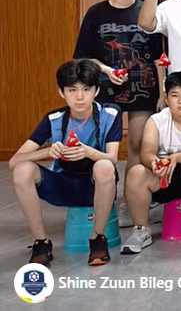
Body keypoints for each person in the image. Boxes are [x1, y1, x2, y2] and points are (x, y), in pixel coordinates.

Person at [73, 0, 160, 230]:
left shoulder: (147, 10)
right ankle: (104, 198)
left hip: (142, 88)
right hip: (106, 89)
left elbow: (159, 56)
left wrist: (162, 90)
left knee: (136, 144)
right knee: (105, 146)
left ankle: (129, 203)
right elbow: (82, 56)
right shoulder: (96, 13)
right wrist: (106, 70)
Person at [10, 59, 122, 266]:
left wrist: (87, 151)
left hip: (96, 185)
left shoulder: (110, 114)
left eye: (86, 89)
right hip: (62, 185)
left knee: (105, 166)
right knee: (22, 170)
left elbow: (113, 158)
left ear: (96, 91)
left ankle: (98, 238)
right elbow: (14, 161)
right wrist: (47, 152)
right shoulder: (53, 119)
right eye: (72, 90)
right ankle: (41, 242)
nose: (79, 97)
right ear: (61, 92)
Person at [120, 71, 181, 254]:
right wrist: (156, 163)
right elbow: (146, 153)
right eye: (175, 96)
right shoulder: (156, 120)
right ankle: (141, 229)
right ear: (166, 99)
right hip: (163, 176)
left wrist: (175, 158)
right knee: (136, 172)